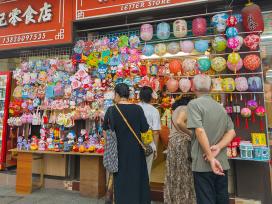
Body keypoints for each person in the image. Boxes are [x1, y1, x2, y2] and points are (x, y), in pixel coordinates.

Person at [187, 74, 236, 204]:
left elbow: (199, 130)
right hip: (221, 162)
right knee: (222, 198)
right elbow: (231, 132)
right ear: (212, 88)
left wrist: (210, 157)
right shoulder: (220, 107)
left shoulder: (194, 104)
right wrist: (218, 147)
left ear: (192, 88)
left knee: (205, 200)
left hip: (203, 164)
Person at [103, 83, 150, 204]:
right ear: (128, 95)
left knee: (120, 180)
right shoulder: (137, 109)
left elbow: (106, 132)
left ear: (117, 94)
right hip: (135, 152)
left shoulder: (111, 110)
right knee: (136, 178)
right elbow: (145, 128)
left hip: (118, 152)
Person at [164, 96, 196, 204]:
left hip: (172, 143)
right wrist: (191, 134)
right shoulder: (185, 108)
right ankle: (185, 199)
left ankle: (173, 199)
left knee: (173, 171)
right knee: (185, 172)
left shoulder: (175, 110)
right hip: (182, 143)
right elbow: (179, 122)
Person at [138, 86, 161, 178]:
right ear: (151, 96)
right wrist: (155, 148)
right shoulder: (154, 111)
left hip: (135, 143)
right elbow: (155, 132)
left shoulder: (135, 108)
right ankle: (144, 191)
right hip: (148, 144)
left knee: (135, 170)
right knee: (146, 171)